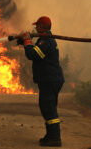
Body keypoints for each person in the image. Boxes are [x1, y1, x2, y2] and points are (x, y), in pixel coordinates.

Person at [18, 16, 65, 147]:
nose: (35, 29)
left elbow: (33, 55)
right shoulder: (43, 40)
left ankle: (55, 138)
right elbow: (34, 50)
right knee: (47, 108)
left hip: (50, 80)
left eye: (37, 26)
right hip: (49, 80)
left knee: (48, 108)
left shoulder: (47, 42)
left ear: (43, 27)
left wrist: (27, 42)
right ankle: (50, 135)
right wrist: (24, 42)